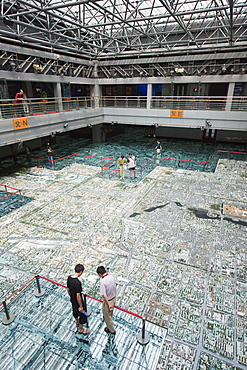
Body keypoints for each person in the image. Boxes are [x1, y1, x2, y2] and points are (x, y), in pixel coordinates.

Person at [67, 264, 90, 335]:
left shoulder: (69, 278)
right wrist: (81, 306)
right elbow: (78, 296)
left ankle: (77, 322)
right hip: (77, 301)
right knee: (81, 314)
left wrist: (71, 296)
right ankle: (81, 329)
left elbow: (68, 289)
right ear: (80, 272)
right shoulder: (77, 283)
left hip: (72, 299)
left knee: (74, 311)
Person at [97, 266, 116, 334]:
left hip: (108, 300)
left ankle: (111, 330)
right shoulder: (111, 277)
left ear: (99, 274)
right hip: (114, 298)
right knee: (109, 313)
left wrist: (108, 304)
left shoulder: (102, 281)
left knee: (107, 317)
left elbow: (104, 295)